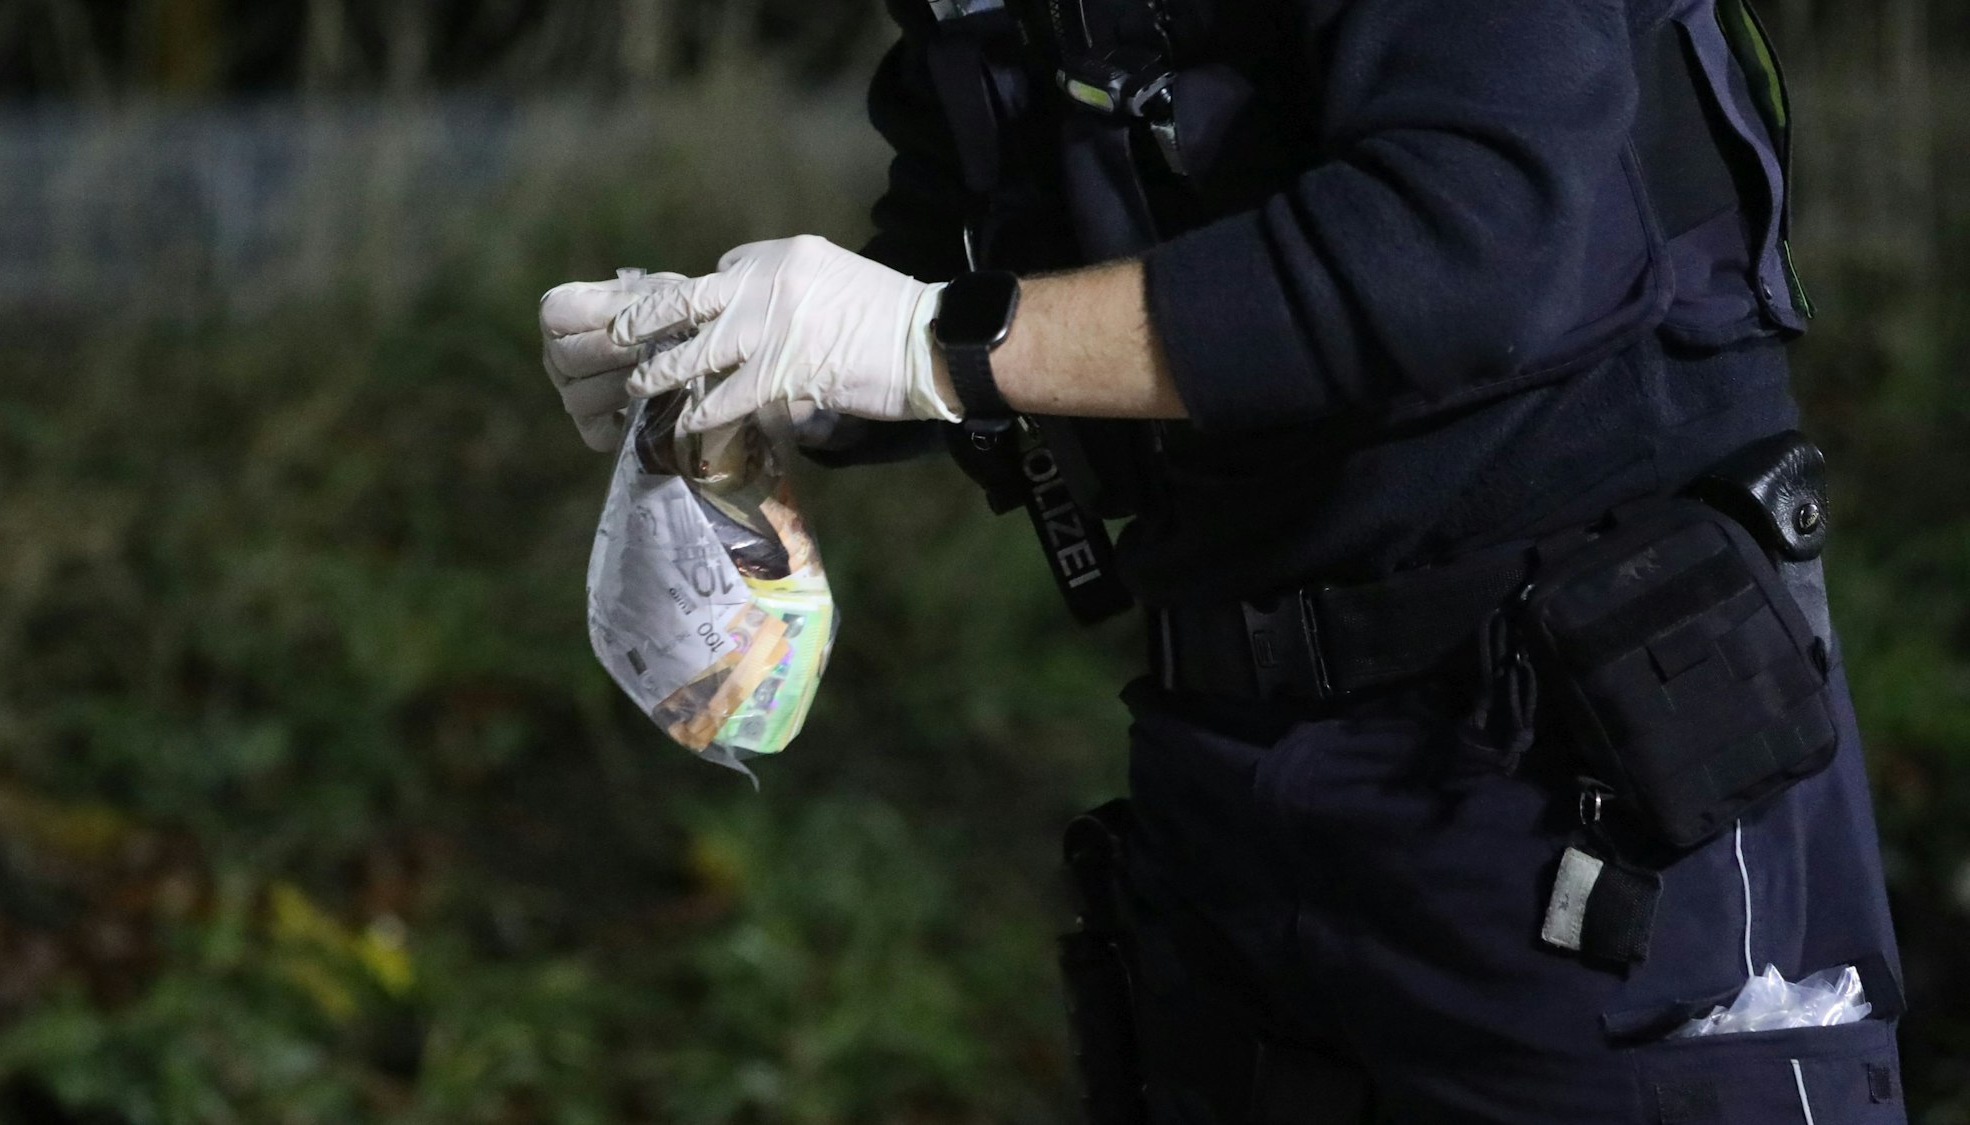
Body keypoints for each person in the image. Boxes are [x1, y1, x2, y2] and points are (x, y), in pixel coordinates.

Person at [539, 0, 1908, 1120]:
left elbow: (1458, 248)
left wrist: (930, 345)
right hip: (1237, 768)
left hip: (1579, 757)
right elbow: (982, 241)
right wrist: (767, 362)